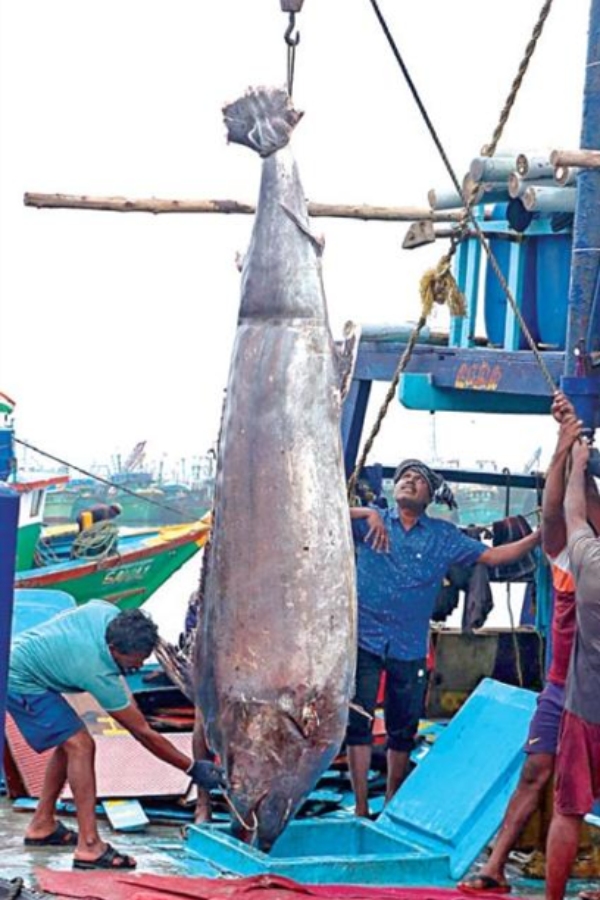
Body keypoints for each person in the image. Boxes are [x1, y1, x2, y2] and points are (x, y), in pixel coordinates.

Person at [458, 393, 600, 893]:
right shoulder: (572, 559)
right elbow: (558, 512)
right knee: (536, 771)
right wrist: (566, 445)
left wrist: (570, 447)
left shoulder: (583, 559)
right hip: (562, 688)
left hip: (580, 697)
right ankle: (495, 866)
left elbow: (569, 509)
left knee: (567, 802)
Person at [347, 458, 541, 819]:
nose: (409, 481)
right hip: (364, 639)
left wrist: (538, 537)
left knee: (403, 727)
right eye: (404, 476)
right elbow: (327, 516)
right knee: (357, 722)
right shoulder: (373, 520)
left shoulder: (443, 536)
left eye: (418, 479)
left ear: (430, 496)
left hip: (409, 645)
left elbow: (494, 555)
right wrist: (365, 513)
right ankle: (359, 807)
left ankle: (390, 802)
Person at [7, 600, 226, 870]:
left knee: (70, 742)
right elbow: (142, 733)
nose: (141, 665)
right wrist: (192, 768)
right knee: (81, 745)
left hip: (27, 657)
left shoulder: (108, 613)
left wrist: (132, 708)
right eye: (136, 661)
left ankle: (42, 824)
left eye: (144, 659)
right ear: (113, 650)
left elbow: (126, 697)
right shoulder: (95, 669)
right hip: (18, 679)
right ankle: (89, 846)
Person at [545, 437, 600, 900]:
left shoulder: (591, 565)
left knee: (568, 811)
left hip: (584, 711)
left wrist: (577, 461)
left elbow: (573, 515)